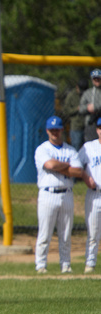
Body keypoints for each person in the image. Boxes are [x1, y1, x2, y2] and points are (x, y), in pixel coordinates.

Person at [34, 116, 83, 274]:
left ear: (62, 130)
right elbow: (49, 164)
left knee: (66, 233)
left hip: (66, 193)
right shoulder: (42, 149)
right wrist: (67, 165)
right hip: (48, 193)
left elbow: (78, 171)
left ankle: (66, 264)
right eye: (52, 129)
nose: (55, 132)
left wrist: (59, 166)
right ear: (48, 131)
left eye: (58, 129)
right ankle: (41, 265)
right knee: (45, 233)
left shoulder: (70, 150)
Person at [78, 117, 101, 274]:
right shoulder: (89, 147)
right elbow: (76, 165)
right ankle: (90, 264)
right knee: (93, 232)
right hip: (94, 194)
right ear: (98, 130)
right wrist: (86, 178)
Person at [63, 78, 88, 150]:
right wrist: (76, 109)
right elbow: (65, 110)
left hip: (87, 125)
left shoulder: (88, 94)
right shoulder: (71, 95)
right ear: (77, 87)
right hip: (76, 126)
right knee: (76, 146)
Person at [79, 69, 101, 143]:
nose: (97, 80)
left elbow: (96, 106)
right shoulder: (87, 93)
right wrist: (87, 108)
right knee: (90, 145)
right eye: (95, 79)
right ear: (92, 80)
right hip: (91, 123)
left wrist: (96, 107)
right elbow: (81, 108)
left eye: (98, 78)